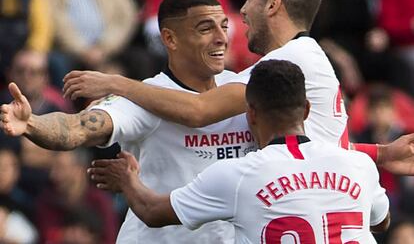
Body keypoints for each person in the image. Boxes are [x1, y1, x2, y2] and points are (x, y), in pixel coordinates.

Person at [63, 0, 414, 175]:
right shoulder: (304, 57)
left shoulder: (288, 62)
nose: (242, 11)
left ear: (273, 4)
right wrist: (381, 153)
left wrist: (116, 83)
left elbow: (199, 111)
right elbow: (323, 146)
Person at [0, 0, 254, 243]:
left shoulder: (243, 90)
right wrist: (31, 123)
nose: (222, 38)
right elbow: (77, 128)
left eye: (224, 26)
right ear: (170, 39)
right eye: (205, 29)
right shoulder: (142, 99)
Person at [88, 59, 391, 243]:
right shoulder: (357, 164)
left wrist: (127, 180)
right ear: (308, 109)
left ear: (251, 114)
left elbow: (153, 212)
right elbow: (381, 221)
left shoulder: (239, 174)